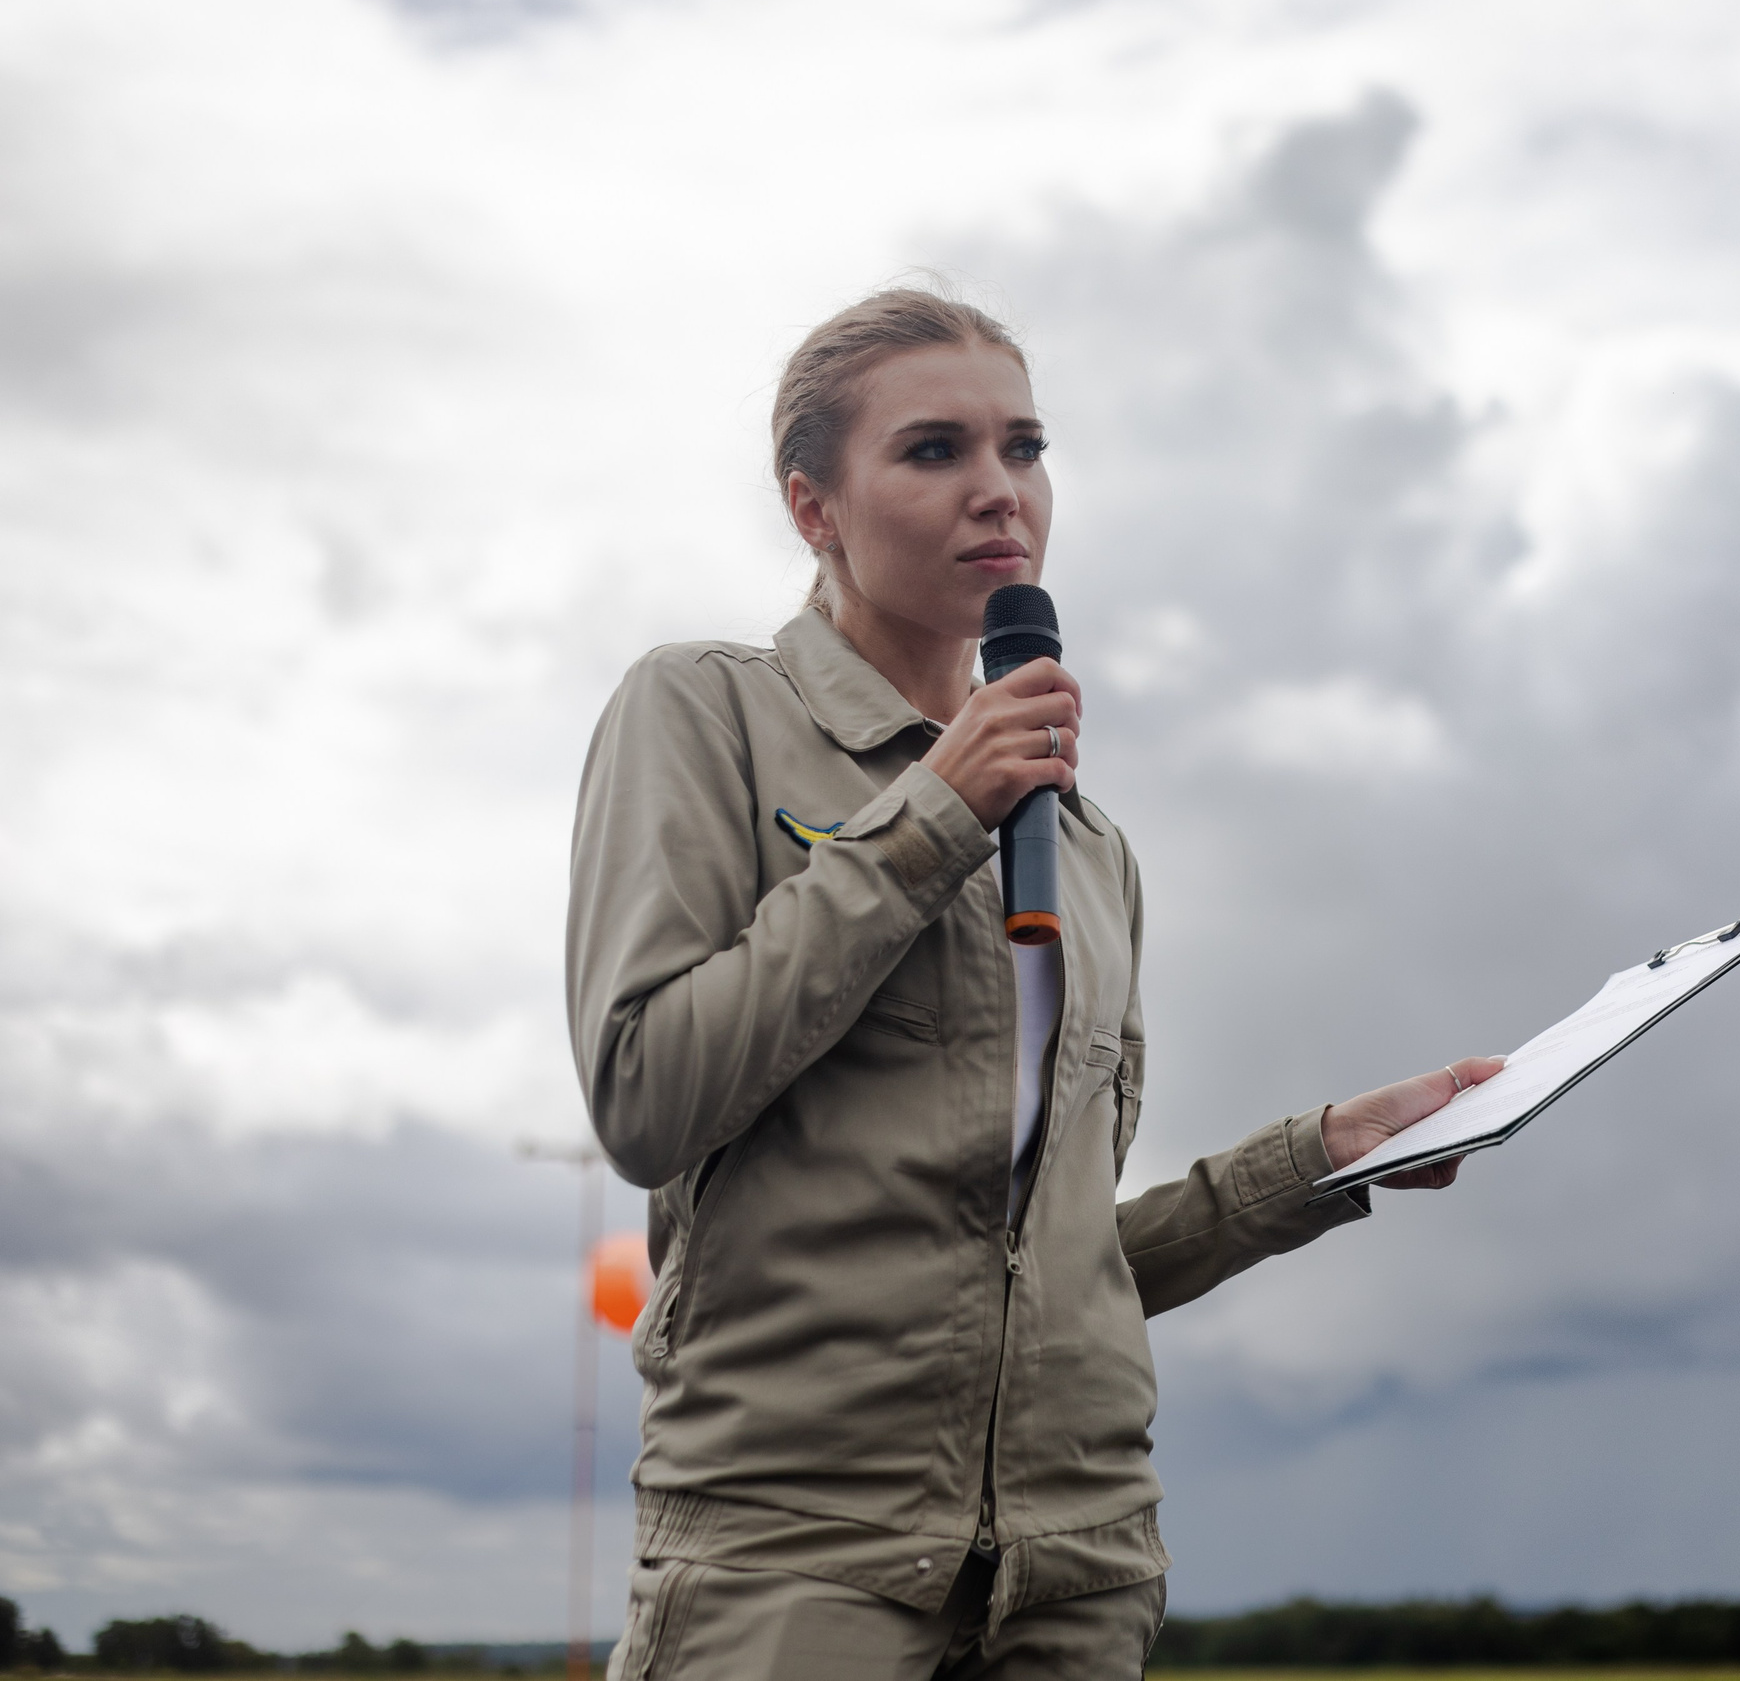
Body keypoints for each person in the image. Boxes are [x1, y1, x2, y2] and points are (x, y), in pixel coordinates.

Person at [567, 288, 1502, 1680]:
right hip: (799, 1558)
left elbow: (1053, 1267)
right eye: (936, 450)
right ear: (813, 504)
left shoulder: (1093, 850)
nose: (1000, 491)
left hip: (1077, 1577)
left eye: (1026, 446)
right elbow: (646, 1094)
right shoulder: (705, 712)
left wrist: (1315, 1160)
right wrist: (936, 812)